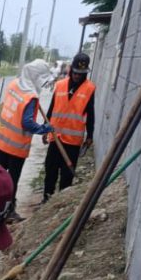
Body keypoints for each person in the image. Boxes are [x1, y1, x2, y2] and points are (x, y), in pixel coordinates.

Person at [0, 58, 54, 216]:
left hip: (1, 140)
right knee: (12, 180)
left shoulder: (14, 84)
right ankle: (9, 211)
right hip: (15, 146)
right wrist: (44, 128)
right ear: (36, 76)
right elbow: (27, 122)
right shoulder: (30, 97)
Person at [42, 51, 95, 202]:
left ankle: (61, 202)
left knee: (67, 174)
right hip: (55, 137)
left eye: (81, 74)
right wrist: (45, 129)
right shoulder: (60, 85)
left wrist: (90, 135)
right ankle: (47, 199)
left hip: (72, 141)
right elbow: (51, 109)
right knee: (50, 169)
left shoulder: (89, 89)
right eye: (76, 72)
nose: (77, 76)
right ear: (71, 69)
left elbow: (91, 114)